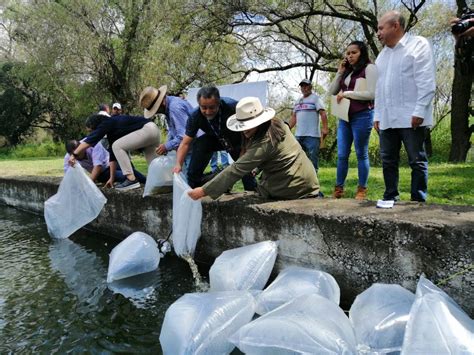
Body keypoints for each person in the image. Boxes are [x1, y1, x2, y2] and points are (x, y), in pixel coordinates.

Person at [188, 97, 320, 201]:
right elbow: (277, 156)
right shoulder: (277, 124)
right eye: (242, 125)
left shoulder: (265, 142)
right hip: (308, 180)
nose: (245, 130)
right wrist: (257, 169)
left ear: (260, 122)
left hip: (292, 186)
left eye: (248, 125)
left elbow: (236, 170)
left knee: (256, 193)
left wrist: (202, 191)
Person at [374, 11, 435, 202]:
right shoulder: (381, 56)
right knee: (388, 161)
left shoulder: (418, 45)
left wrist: (419, 110)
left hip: (411, 117)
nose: (378, 33)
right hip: (387, 118)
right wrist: (377, 114)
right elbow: (379, 89)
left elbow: (426, 81)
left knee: (416, 161)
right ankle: (391, 197)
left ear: (395, 26)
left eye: (381, 28)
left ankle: (418, 201)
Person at [173, 85, 256, 190]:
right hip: (213, 139)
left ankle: (251, 190)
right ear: (199, 105)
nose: (208, 112)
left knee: (244, 166)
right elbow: (185, 143)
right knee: (200, 143)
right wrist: (178, 164)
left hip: (236, 139)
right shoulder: (195, 116)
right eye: (204, 108)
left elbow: (249, 129)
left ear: (219, 103)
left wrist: (245, 149)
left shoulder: (232, 106)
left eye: (212, 107)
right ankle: (196, 185)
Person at [328, 41, 377, 200]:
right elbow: (332, 91)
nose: (349, 56)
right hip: (344, 117)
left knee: (361, 154)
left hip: (362, 114)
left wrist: (348, 93)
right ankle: (338, 189)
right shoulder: (347, 72)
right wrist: (339, 72)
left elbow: (372, 94)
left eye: (353, 53)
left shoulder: (369, 68)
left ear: (361, 53)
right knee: (342, 154)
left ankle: (362, 189)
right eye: (347, 53)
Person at [68, 112, 160, 191]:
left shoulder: (107, 122)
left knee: (117, 146)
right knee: (153, 163)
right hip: (153, 130)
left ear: (96, 126)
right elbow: (112, 156)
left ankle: (131, 180)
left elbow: (92, 139)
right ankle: (160, 183)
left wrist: (74, 155)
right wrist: (111, 178)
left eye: (91, 131)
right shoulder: (113, 130)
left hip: (147, 129)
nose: (91, 133)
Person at [139, 86, 193, 157]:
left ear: (161, 104)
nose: (156, 113)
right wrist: (166, 145)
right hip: (189, 149)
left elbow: (184, 135)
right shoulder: (169, 108)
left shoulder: (175, 108)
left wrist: (166, 146)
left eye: (156, 110)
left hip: (195, 148)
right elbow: (173, 130)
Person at [288, 79, 329, 174]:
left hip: (313, 136)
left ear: (310, 87)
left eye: (306, 86)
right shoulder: (298, 101)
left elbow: (323, 113)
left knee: (312, 162)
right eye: (302, 86)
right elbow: (294, 117)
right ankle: (299, 182)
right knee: (296, 159)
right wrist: (287, 128)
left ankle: (314, 185)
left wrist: (325, 128)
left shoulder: (316, 99)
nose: (304, 88)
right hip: (298, 136)